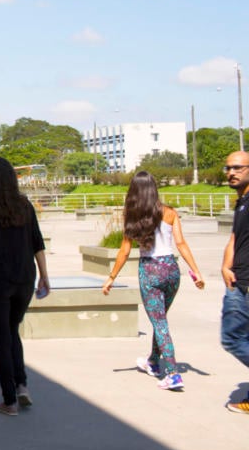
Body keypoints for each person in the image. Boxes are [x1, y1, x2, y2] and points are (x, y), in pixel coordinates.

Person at [102, 171, 205, 391]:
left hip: (150, 271)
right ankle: (153, 362)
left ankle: (172, 373)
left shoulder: (132, 215)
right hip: (171, 269)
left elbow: (125, 250)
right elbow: (181, 243)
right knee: (161, 320)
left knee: (159, 323)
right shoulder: (169, 212)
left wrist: (111, 277)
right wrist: (196, 271)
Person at [0, 157, 50, 416]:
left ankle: (9, 400)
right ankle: (22, 385)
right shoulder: (25, 205)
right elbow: (37, 242)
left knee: (2, 338)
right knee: (13, 331)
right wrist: (44, 275)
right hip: (25, 278)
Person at [220, 151, 249, 413]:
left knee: (232, 339)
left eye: (238, 167)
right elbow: (234, 238)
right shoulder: (241, 202)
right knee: (238, 337)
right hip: (237, 281)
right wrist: (225, 265)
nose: (231, 172)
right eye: (228, 168)